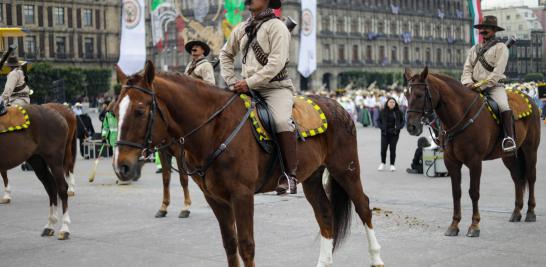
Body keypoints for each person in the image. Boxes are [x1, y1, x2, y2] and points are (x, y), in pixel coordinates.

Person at [220, 0, 297, 195]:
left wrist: (250, 82)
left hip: (275, 88)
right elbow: (225, 54)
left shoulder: (277, 27)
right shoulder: (242, 28)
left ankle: (290, 175)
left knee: (280, 122)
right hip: (247, 89)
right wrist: (231, 81)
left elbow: (276, 63)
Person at [461, 15, 515, 153]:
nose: (483, 30)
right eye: (481, 28)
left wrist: (479, 86)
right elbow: (467, 69)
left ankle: (509, 138)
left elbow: (497, 73)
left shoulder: (501, 47)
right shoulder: (474, 49)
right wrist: (467, 83)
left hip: (493, 87)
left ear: (494, 30)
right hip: (472, 87)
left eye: (487, 28)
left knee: (503, 106)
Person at [377, 97, 405, 172]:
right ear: (387, 103)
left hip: (394, 133)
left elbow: (403, 121)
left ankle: (392, 165)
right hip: (385, 133)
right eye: (390, 102)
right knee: (383, 149)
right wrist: (382, 127)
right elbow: (378, 120)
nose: (392, 103)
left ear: (395, 104)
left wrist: (399, 127)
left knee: (392, 149)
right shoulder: (383, 111)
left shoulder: (399, 112)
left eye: (393, 102)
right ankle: (382, 163)